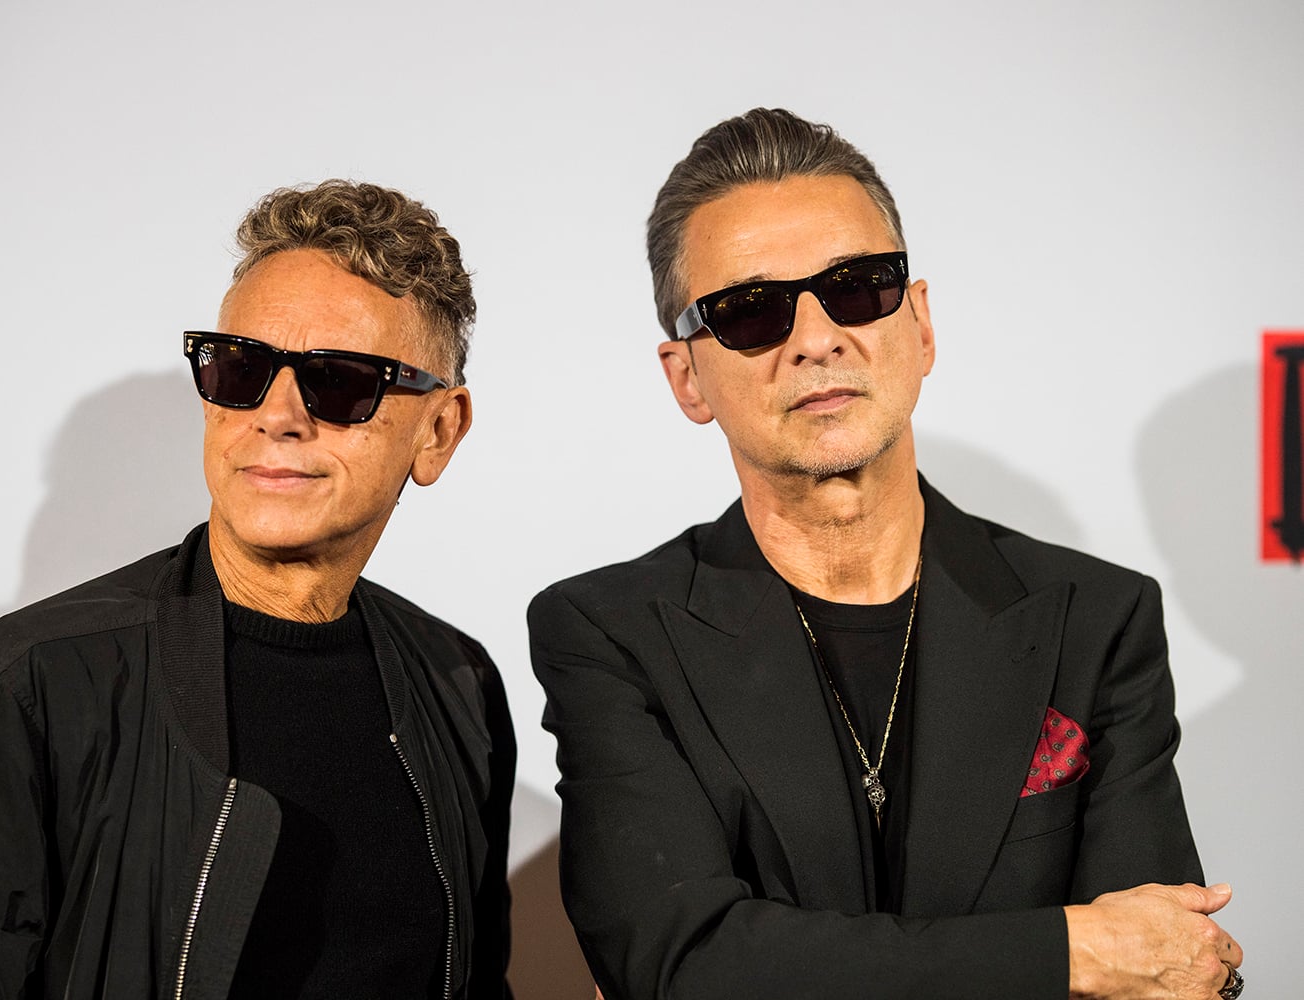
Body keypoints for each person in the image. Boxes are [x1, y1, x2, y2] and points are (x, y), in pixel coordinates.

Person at [528, 109, 1244, 999]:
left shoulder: (1096, 620)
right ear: (687, 378)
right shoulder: (610, 634)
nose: (817, 337)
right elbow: (682, 966)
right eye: (751, 313)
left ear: (921, 325)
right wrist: (1070, 952)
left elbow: (1163, 968)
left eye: (859, 287)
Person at [0, 180, 515, 999]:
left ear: (439, 430)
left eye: (341, 381)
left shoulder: (458, 683)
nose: (276, 415)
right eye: (242, 369)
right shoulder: (32, 684)